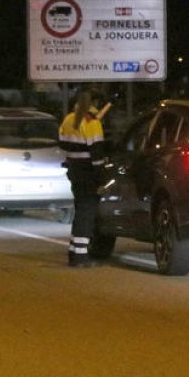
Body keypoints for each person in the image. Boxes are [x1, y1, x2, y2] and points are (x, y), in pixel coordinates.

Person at [58, 87, 108, 267]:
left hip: (74, 169)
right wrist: (102, 179)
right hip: (88, 172)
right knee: (87, 214)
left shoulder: (69, 119)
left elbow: (62, 145)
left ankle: (73, 251)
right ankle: (80, 256)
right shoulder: (92, 122)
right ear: (95, 103)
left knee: (80, 210)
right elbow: (97, 155)